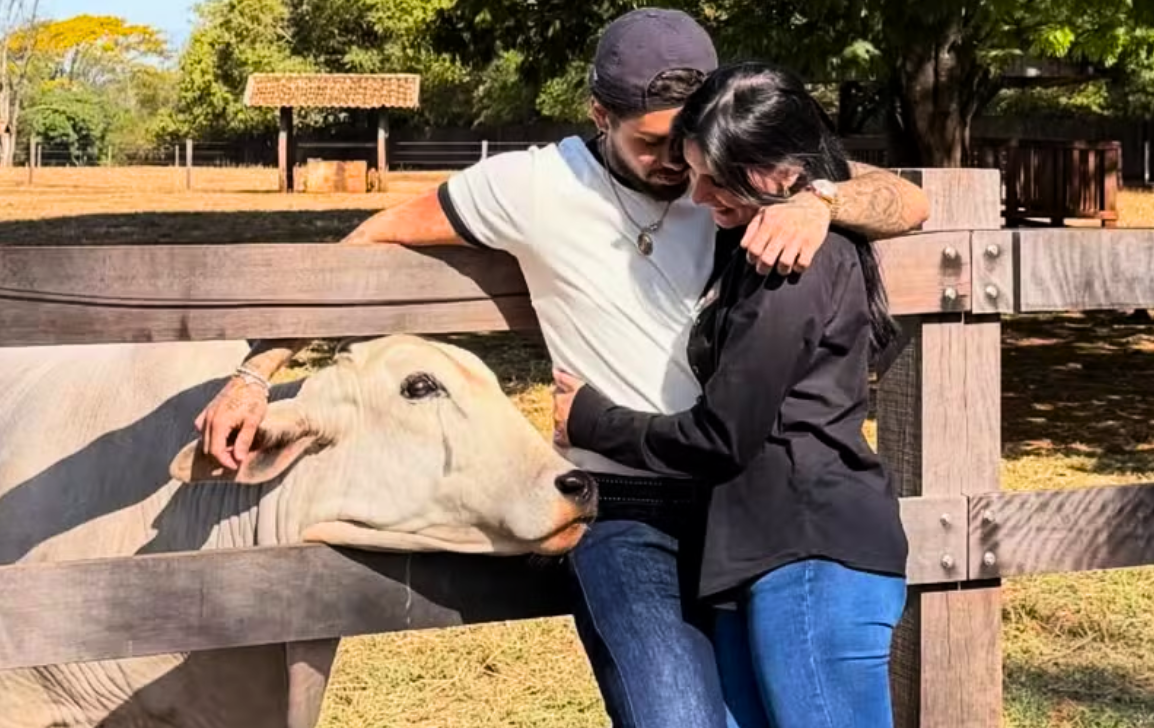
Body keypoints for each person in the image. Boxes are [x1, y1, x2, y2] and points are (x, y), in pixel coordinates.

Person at [193, 9, 929, 728]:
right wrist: (257, 372)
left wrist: (822, 202)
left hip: (743, 502)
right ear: (599, 114)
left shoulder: (731, 164)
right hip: (623, 504)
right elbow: (363, 249)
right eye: (654, 143)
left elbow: (909, 200)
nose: (680, 167)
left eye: (691, 144)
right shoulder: (530, 186)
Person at [551, 60, 909, 728]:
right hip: (771, 557)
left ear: (780, 169)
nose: (697, 195)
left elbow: (723, 434)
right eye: (693, 172)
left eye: (716, 178)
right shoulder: (760, 244)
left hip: (809, 554)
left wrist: (593, 420)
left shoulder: (793, 266)